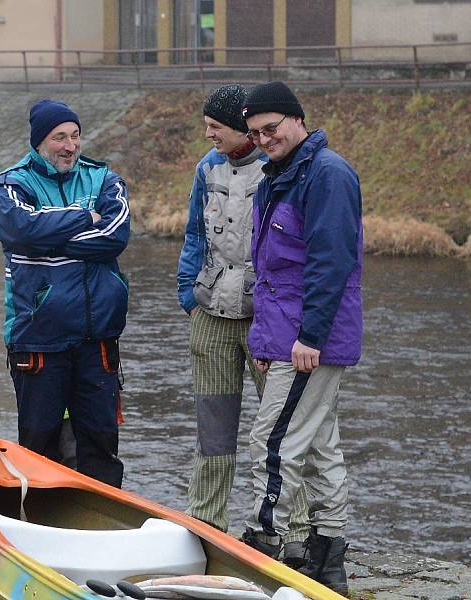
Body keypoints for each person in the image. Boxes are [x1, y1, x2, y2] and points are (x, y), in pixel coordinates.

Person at [238, 81, 363, 596]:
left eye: (272, 128)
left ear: (296, 120)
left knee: (272, 441)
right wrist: (268, 343)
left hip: (311, 339)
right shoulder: (277, 178)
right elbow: (271, 269)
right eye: (255, 133)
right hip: (286, 337)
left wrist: (309, 336)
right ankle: (327, 556)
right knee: (318, 446)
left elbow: (331, 264)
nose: (265, 139)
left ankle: (263, 540)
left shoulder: (328, 175)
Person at [0, 99, 130, 488]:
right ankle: (37, 521)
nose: (69, 145)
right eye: (59, 137)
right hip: (38, 335)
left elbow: (114, 238)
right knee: (39, 440)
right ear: (38, 143)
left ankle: (104, 520)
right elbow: (20, 230)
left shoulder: (104, 180)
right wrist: (85, 218)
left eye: (75, 136)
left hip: (97, 337)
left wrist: (51, 239)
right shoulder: (11, 184)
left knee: (100, 440)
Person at [177, 84, 269, 533]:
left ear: (239, 126)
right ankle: (206, 522)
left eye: (215, 127)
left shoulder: (277, 169)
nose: (208, 134)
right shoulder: (206, 168)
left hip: (265, 319)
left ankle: (286, 527)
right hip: (209, 312)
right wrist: (186, 296)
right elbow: (194, 235)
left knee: (279, 429)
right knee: (212, 429)